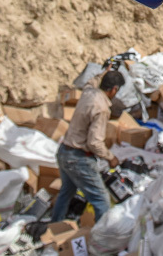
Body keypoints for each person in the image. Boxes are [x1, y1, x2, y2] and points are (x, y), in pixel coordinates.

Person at [50, 70, 125, 222]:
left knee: (66, 193)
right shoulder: (102, 108)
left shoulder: (88, 93)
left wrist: (104, 71)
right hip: (79, 159)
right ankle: (101, 239)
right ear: (114, 89)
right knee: (101, 200)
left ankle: (54, 227)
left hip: (64, 151)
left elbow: (91, 82)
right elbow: (94, 142)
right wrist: (110, 157)